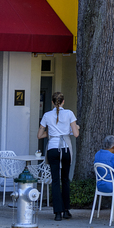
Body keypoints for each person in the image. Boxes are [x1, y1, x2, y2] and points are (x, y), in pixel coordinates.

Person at [38, 91, 79, 221]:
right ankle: (66, 210)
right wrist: (74, 127)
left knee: (55, 180)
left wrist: (51, 133)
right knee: (65, 179)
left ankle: (57, 213)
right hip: (65, 148)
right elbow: (76, 134)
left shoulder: (46, 115)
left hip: (53, 148)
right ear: (63, 102)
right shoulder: (69, 113)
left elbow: (39, 135)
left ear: (52, 102)